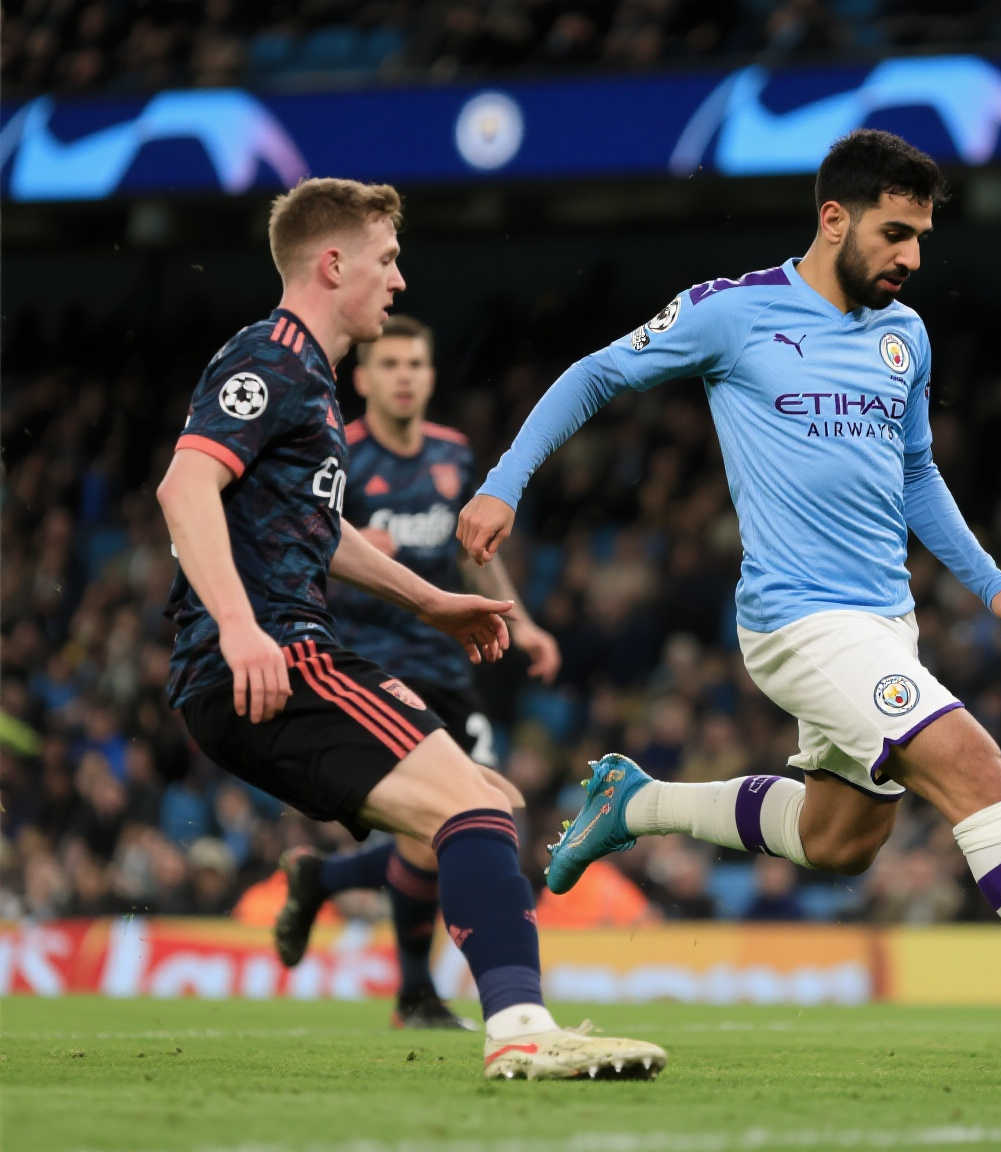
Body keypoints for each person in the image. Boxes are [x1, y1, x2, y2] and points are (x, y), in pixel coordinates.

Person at [458, 129, 1001, 1064]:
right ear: (834, 219)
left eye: (921, 239)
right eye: (895, 233)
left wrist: (991, 584)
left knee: (838, 839)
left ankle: (636, 803)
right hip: (797, 620)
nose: (912, 258)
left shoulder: (906, 336)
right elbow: (596, 374)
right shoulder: (732, 311)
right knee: (972, 762)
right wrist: (504, 483)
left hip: (885, 625)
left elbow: (916, 476)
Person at [158, 176, 662, 1080]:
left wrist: (428, 600)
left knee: (477, 806)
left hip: (273, 658)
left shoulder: (310, 381)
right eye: (386, 260)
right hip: (276, 656)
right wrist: (239, 628)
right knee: (477, 806)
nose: (399, 279)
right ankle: (518, 1028)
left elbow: (322, 528)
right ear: (332, 263)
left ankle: (496, 1013)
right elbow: (185, 483)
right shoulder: (271, 356)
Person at [269, 314, 563, 1031]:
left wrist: (523, 622)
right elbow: (293, 552)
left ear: (430, 377)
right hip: (370, 665)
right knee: (454, 819)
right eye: (390, 364)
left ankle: (326, 881)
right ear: (363, 379)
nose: (404, 376)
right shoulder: (339, 454)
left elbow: (471, 553)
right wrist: (345, 549)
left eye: (416, 365)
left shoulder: (452, 454)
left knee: (486, 815)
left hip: (447, 664)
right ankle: (416, 994)